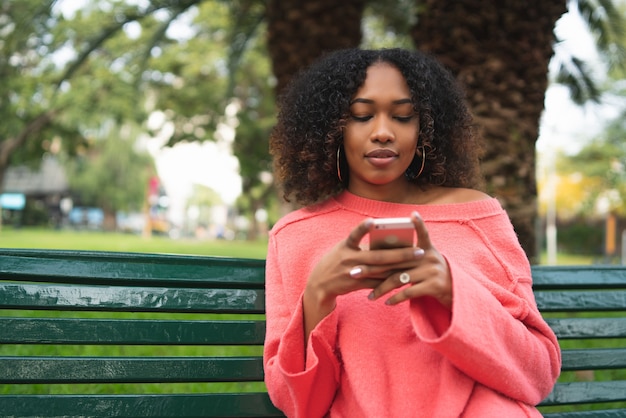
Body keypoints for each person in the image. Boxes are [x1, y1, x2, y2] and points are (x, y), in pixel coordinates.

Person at [263, 47, 561, 418]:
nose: (383, 132)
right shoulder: (295, 236)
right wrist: (318, 296)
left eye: (403, 116)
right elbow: (299, 404)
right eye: (361, 115)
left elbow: (538, 375)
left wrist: (454, 291)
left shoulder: (475, 216)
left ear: (425, 127)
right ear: (330, 127)